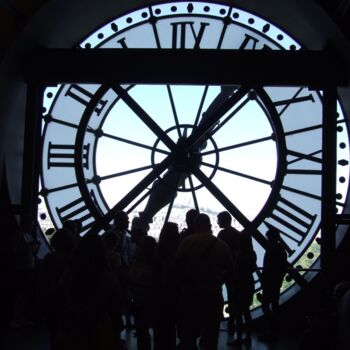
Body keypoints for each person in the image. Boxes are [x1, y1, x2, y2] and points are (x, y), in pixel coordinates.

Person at [174, 213, 234, 350]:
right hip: (212, 294)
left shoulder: (187, 243)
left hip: (190, 294)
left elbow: (177, 266)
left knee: (188, 335)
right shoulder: (222, 246)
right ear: (210, 225)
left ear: (195, 225)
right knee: (211, 336)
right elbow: (230, 271)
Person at [54, 235, 124, 350]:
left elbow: (61, 291)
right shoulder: (107, 277)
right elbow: (115, 302)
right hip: (100, 327)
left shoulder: (70, 274)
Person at [153, 222, 180, 350]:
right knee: (170, 331)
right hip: (173, 299)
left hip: (158, 299)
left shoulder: (157, 253)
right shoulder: (177, 254)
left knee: (159, 332)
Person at [227, 233, 257, 346]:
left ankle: (239, 338)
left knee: (238, 312)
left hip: (239, 284)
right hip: (248, 283)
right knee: (246, 311)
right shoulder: (252, 253)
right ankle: (247, 336)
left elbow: (236, 270)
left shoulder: (240, 254)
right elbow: (252, 268)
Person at [260, 227, 288, 339]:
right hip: (276, 282)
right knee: (274, 305)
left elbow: (267, 267)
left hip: (269, 282)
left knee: (266, 306)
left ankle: (270, 329)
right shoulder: (281, 250)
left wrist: (264, 279)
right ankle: (273, 330)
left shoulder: (271, 250)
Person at [130, 236, 157, 350]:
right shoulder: (155, 265)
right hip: (149, 301)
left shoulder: (136, 262)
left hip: (138, 301)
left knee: (142, 332)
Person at [216, 211, 241, 334]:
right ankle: (233, 320)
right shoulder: (237, 235)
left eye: (219, 220)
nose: (217, 222)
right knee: (233, 296)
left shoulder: (222, 235)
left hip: (222, 270)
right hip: (233, 271)